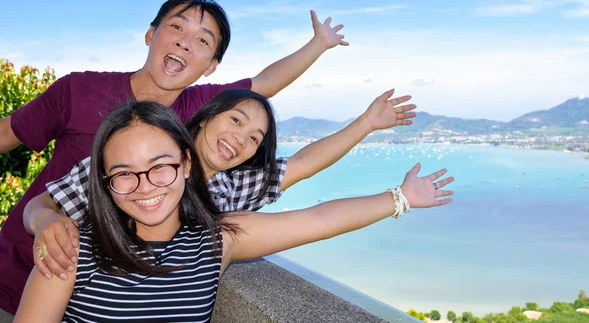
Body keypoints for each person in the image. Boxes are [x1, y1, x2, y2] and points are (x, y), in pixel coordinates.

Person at [0, 0, 348, 316]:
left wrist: (318, 45)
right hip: (14, 273)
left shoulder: (197, 115)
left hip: (97, 300)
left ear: (211, 65)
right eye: (177, 26)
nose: (185, 41)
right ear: (151, 34)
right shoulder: (79, 89)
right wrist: (43, 218)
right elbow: (8, 135)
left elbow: (264, 83)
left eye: (203, 40)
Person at [14, 101, 453, 322]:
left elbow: (316, 218)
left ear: (184, 164)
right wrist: (45, 220)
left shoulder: (215, 237)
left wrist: (400, 197)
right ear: (105, 181)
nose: (145, 185)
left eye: (160, 167)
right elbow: (40, 207)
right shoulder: (71, 249)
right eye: (125, 173)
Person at [25, 88, 417, 279]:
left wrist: (366, 123)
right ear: (206, 116)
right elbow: (41, 205)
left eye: (254, 138)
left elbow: (303, 166)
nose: (241, 139)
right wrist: (44, 223)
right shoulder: (133, 157)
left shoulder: (232, 189)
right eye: (235, 121)